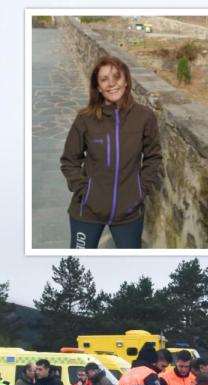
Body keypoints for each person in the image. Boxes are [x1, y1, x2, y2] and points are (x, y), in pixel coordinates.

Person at [59, 55, 162, 249]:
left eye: (117, 77)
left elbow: (153, 157)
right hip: (86, 211)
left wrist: (140, 190)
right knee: (78, 268)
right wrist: (84, 191)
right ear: (98, 87)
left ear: (126, 81)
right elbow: (69, 160)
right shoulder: (85, 119)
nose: (111, 84)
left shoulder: (145, 117)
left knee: (129, 271)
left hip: (129, 213)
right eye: (104, 79)